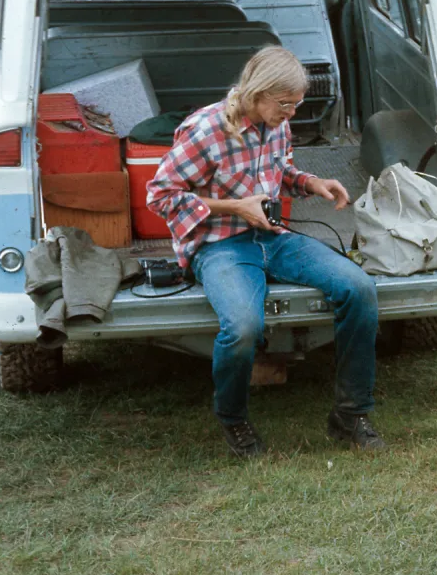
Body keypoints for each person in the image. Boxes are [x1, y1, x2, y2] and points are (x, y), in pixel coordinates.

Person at [148, 46, 383, 458]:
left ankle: (351, 414)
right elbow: (161, 195)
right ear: (258, 92)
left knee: (359, 288)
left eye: (297, 104)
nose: (291, 113)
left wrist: (312, 183)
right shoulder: (204, 130)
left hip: (273, 237)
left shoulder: (278, 125)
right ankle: (233, 419)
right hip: (220, 245)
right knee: (242, 327)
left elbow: (280, 172)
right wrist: (234, 207)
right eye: (285, 104)